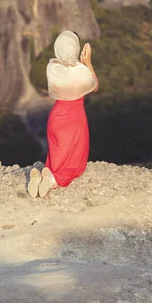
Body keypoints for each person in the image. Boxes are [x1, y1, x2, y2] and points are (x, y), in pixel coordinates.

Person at [28, 31, 99, 198]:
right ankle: (53, 180)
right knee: (74, 163)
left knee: (57, 152)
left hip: (56, 116)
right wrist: (87, 63)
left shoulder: (52, 67)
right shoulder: (80, 70)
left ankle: (41, 176)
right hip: (75, 117)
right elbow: (95, 86)